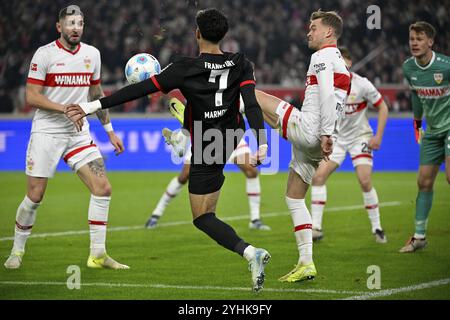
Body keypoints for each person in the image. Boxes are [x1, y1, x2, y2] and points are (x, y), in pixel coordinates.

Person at [65, 8, 271, 292]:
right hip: (232, 134)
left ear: (197, 33)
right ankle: (184, 131)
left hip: (207, 142)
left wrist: (90, 106)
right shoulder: (241, 63)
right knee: (203, 117)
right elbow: (251, 104)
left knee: (202, 217)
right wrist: (261, 143)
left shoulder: (183, 67)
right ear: (223, 35)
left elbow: (137, 91)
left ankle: (251, 253)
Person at [4, 5, 128, 270]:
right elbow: (32, 96)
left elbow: (96, 95)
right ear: (59, 27)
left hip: (78, 132)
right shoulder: (45, 54)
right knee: (35, 196)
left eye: (80, 23)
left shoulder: (92, 54)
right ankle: (17, 249)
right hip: (47, 131)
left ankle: (98, 255)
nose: (75, 28)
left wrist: (109, 131)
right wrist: (66, 109)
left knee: (103, 188)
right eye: (70, 23)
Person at [250, 10, 350, 282]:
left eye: (314, 27)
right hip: (317, 144)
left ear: (329, 32)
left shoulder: (321, 56)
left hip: (311, 130)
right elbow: (333, 98)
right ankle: (306, 263)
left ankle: (202, 124)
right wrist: (329, 135)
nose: (309, 31)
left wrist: (325, 132)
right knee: (294, 197)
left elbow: (328, 94)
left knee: (250, 94)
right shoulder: (340, 62)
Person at [146, 98, 270, 231]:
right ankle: (156, 214)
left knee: (251, 170)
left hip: (231, 134)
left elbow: (248, 106)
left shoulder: (232, 85)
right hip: (204, 138)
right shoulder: (203, 88)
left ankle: (255, 219)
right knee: (184, 176)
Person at [310, 47, 389, 243]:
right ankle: (316, 228)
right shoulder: (327, 85)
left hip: (359, 137)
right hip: (336, 139)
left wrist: (378, 136)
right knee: (318, 177)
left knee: (364, 180)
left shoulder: (362, 85)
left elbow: (383, 107)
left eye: (342, 61)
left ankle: (377, 228)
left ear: (350, 63)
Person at [400, 21, 450, 253]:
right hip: (432, 132)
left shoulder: (446, 66)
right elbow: (416, 97)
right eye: (412, 39)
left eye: (419, 39)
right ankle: (419, 237)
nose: (414, 43)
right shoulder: (409, 68)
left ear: (430, 42)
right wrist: (417, 123)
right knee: (423, 182)